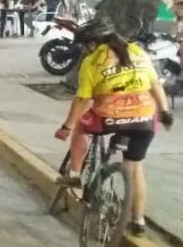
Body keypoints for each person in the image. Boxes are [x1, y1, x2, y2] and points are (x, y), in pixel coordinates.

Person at [55, 20, 173, 236]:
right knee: (135, 168)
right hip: (145, 117)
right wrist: (164, 112)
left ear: (92, 44)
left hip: (110, 116)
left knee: (82, 127)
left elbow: (82, 100)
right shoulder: (137, 51)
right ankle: (138, 220)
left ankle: (75, 175)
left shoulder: (92, 61)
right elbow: (155, 84)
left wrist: (67, 126)